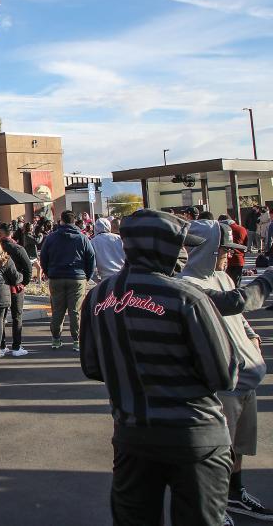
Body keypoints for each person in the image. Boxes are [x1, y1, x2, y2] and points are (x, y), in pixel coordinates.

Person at [80, 209, 239, 526]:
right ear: (162, 247)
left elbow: (92, 366)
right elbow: (224, 374)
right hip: (195, 436)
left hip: (132, 434)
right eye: (180, 245)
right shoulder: (186, 297)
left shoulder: (98, 296)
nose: (183, 254)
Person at [180, 219, 273, 523]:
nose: (228, 256)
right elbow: (238, 303)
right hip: (225, 384)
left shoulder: (222, 278)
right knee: (218, 451)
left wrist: (250, 334)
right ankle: (215, 505)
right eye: (223, 249)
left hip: (246, 381)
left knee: (237, 448)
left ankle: (234, 494)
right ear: (206, 248)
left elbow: (239, 315)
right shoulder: (189, 286)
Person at [39, 210, 96, 351]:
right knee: (75, 310)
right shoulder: (82, 238)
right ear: (74, 221)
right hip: (77, 277)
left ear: (61, 221)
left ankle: (56, 339)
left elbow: (43, 258)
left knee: (57, 310)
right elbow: (91, 258)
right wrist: (87, 276)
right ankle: (76, 340)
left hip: (56, 277)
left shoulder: (51, 238)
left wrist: (48, 272)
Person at [0, 223, 32, 357]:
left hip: (0, 286)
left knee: (0, 317)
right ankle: (16, 347)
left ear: (0, 233)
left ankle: (1, 345)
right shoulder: (18, 248)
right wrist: (24, 283)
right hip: (16, 286)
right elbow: (28, 268)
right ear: (10, 233)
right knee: (17, 316)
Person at [90, 217, 126, 282]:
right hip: (123, 275)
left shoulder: (92, 242)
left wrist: (95, 279)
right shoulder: (119, 238)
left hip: (106, 279)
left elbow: (92, 263)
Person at [218, 214, 248, 286]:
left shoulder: (221, 229)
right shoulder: (242, 229)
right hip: (239, 260)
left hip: (224, 260)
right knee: (236, 284)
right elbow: (245, 245)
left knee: (226, 284)